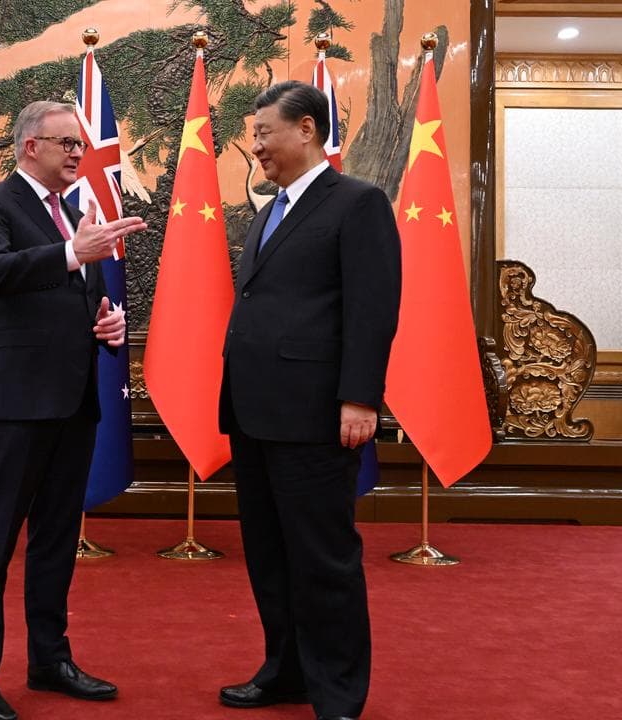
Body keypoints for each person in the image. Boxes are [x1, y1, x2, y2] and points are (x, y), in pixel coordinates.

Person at [0, 100, 147, 720]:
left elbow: (72, 295)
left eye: (81, 146)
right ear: (30, 145)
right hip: (15, 403)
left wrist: (106, 321)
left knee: (58, 539)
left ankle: (48, 660)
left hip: (73, 401)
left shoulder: (72, 214)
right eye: (67, 143)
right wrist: (73, 255)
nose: (77, 155)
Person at [217, 81, 401, 720]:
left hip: (319, 414)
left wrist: (360, 399)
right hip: (254, 412)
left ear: (306, 129)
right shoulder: (269, 212)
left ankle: (340, 692)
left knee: (323, 559)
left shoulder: (358, 203)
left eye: (265, 132)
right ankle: (285, 671)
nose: (257, 146)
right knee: (270, 556)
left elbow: (372, 310)